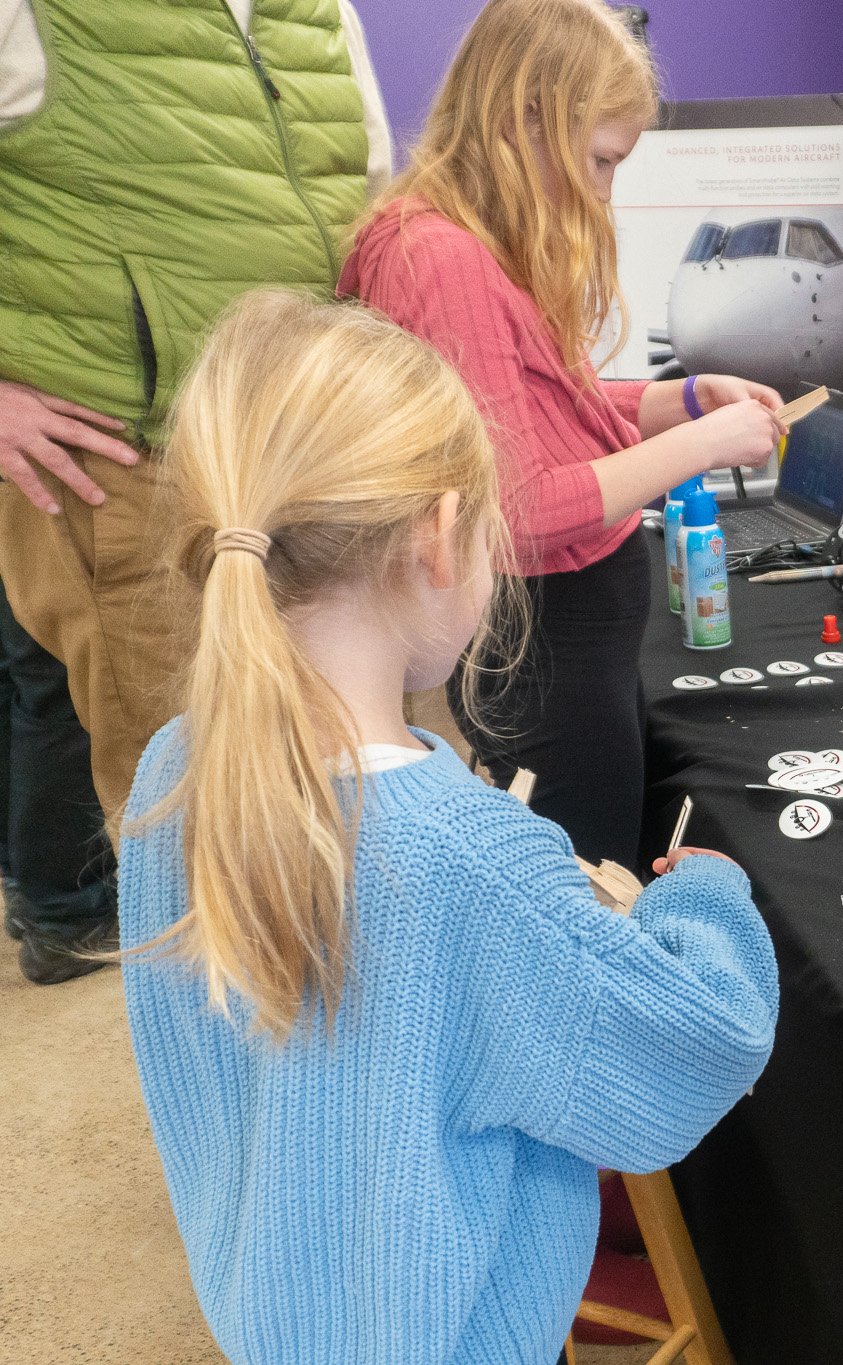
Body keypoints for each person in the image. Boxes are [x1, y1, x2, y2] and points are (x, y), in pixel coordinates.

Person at [121, 290, 778, 1365]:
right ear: (439, 535)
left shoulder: (171, 771)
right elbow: (697, 1051)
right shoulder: (468, 859)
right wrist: (704, 897)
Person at [0, 0, 391, 982]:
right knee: (193, 822)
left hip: (308, 452)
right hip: (129, 465)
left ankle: (345, 1037)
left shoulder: (321, 12)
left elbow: (366, 197)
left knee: (337, 782)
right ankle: (224, 1060)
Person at [343, 0, 784, 866]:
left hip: (566, 647)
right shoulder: (443, 259)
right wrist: (702, 445)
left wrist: (684, 399)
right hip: (545, 647)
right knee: (588, 876)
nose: (603, 191)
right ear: (527, 119)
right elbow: (517, 503)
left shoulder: (466, 242)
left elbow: (544, 406)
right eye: (600, 160)